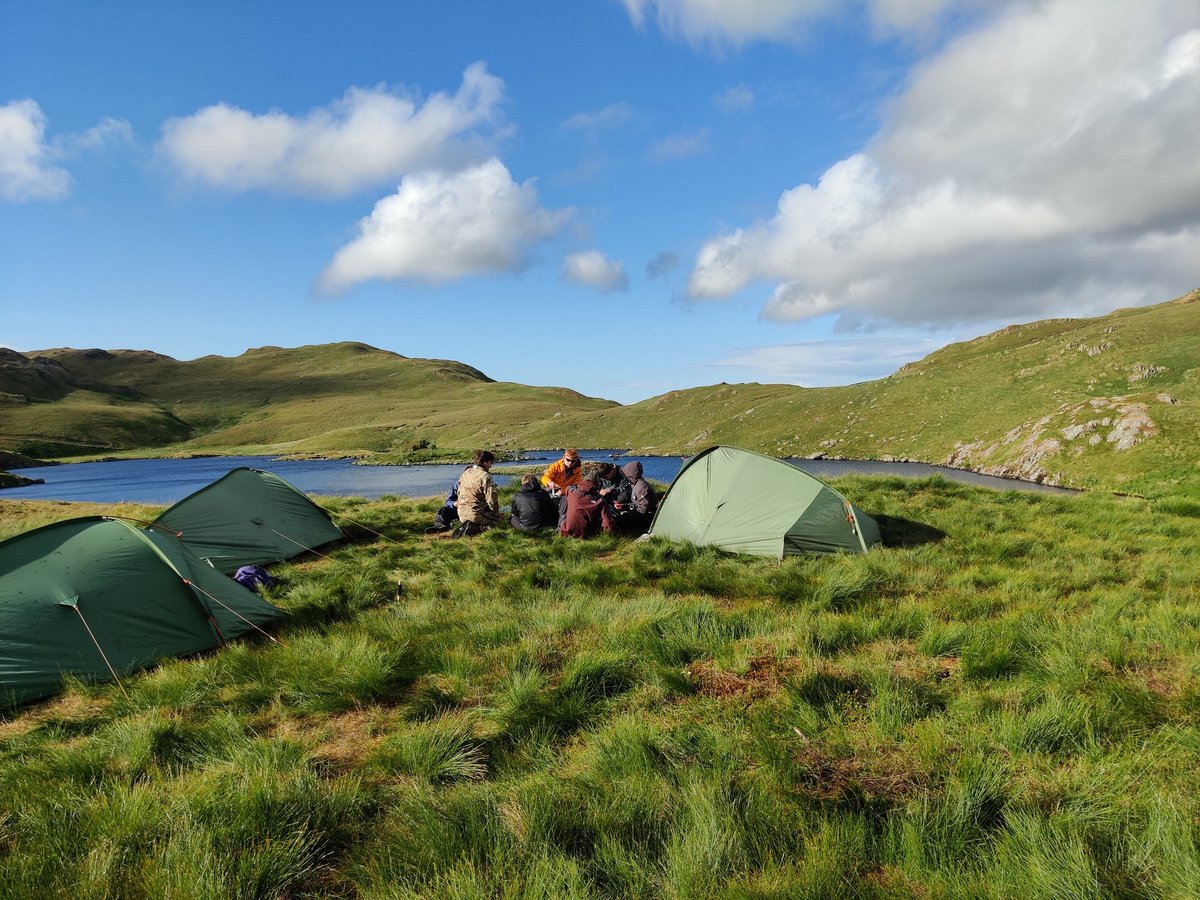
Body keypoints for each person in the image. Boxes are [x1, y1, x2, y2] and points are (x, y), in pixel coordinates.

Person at [455, 450, 500, 536]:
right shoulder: (485, 476)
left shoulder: (465, 473)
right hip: (476, 514)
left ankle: (467, 525)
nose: (491, 465)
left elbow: (459, 492)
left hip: (461, 513)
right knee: (498, 522)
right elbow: (491, 499)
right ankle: (476, 529)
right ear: (485, 462)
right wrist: (496, 514)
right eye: (490, 463)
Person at [613, 460, 658, 535]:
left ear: (630, 475)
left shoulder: (642, 487)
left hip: (647, 518)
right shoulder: (636, 484)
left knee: (620, 520)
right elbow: (637, 504)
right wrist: (623, 507)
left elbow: (643, 510)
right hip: (642, 515)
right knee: (619, 518)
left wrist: (628, 515)